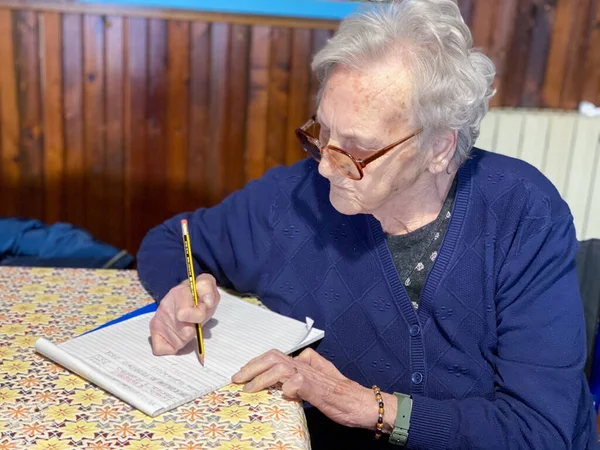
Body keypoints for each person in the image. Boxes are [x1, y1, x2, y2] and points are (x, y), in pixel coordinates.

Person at [136, 0, 599, 448]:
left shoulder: (522, 213)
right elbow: (171, 243)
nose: (324, 167)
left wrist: (368, 406)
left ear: (438, 148)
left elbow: (541, 431)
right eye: (322, 132)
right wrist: (186, 290)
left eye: (356, 149)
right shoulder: (293, 199)